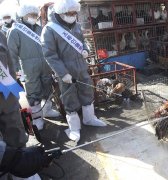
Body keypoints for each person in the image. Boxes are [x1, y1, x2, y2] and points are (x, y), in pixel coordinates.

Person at [41, 0, 107, 142]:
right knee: (69, 97)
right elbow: (50, 54)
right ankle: (74, 128)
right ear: (60, 13)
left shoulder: (76, 26)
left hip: (81, 66)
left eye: (74, 13)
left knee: (87, 91)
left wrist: (85, 49)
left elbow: (83, 41)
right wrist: (63, 73)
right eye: (69, 13)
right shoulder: (50, 29)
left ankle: (89, 118)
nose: (72, 15)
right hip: (65, 70)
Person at [0, 31, 52, 180]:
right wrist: (7, 157)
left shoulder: (1, 35)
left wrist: (19, 155)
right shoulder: (16, 31)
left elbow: (7, 68)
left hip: (11, 123)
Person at [7, 2, 61, 131]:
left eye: (35, 15)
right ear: (23, 15)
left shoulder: (39, 28)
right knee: (33, 91)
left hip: (44, 63)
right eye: (31, 15)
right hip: (27, 65)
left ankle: (47, 110)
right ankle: (37, 119)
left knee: (47, 86)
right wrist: (16, 72)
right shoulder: (15, 30)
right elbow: (11, 54)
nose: (34, 17)